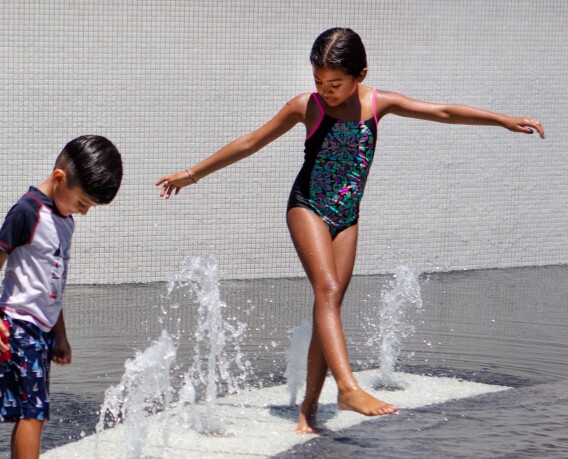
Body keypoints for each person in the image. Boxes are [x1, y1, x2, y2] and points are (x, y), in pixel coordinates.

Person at [156, 27, 544, 433]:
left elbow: (443, 112)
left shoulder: (380, 104)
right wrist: (192, 174)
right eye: (319, 82)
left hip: (347, 216)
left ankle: (308, 411)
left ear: (361, 73)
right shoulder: (307, 107)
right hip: (307, 207)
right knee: (325, 290)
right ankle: (347, 387)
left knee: (330, 306)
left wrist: (502, 120)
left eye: (336, 84)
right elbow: (251, 141)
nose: (326, 91)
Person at [0, 135, 123, 459]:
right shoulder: (27, 212)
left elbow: (52, 283)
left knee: (33, 409)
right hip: (17, 324)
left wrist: (60, 334)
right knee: (33, 411)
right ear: (59, 178)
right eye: (82, 203)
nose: (84, 212)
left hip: (40, 328)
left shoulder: (64, 220)